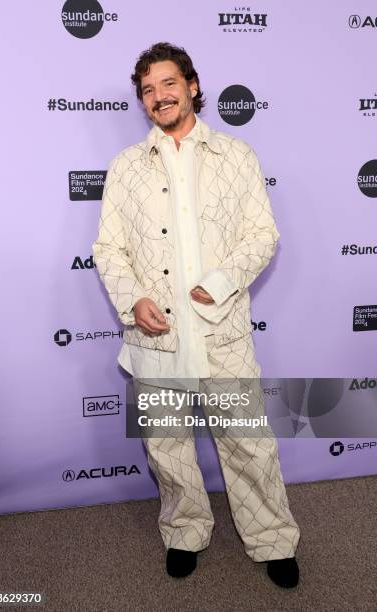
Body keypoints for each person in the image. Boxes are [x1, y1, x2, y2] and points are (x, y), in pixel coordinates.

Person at [92, 42, 301, 588]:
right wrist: (131, 299)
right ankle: (185, 531)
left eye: (167, 84)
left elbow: (263, 234)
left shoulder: (237, 156)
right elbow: (109, 249)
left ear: (191, 85)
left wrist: (221, 282)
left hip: (223, 333)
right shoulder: (126, 168)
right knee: (166, 448)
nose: (158, 96)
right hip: (153, 336)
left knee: (249, 443)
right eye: (147, 90)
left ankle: (272, 538)